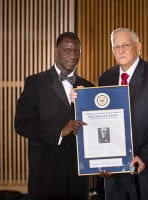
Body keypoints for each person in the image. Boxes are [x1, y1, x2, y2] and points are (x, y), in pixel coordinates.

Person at [71, 28, 148, 200]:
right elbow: (101, 119)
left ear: (138, 46)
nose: (120, 50)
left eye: (125, 45)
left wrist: (144, 157)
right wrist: (83, 98)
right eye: (116, 46)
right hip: (114, 178)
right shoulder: (106, 78)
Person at [14, 32, 94, 200]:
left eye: (77, 51)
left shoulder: (88, 87)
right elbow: (21, 123)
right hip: (46, 176)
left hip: (78, 179)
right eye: (67, 50)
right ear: (56, 51)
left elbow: (94, 131)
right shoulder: (35, 83)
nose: (73, 56)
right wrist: (59, 131)